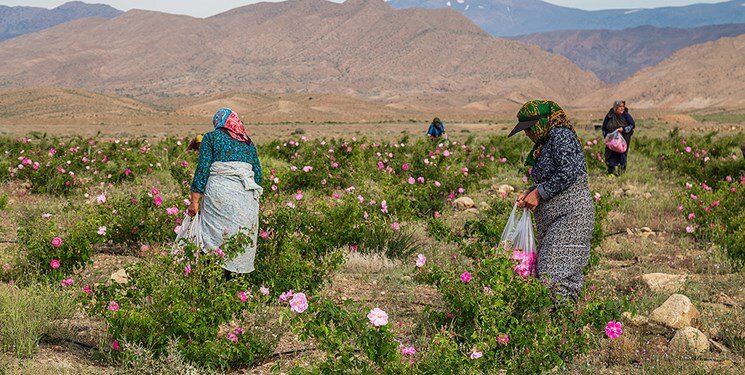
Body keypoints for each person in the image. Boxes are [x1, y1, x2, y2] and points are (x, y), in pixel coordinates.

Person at [509, 100, 595, 303]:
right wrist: (531, 191)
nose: (527, 134)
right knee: (557, 273)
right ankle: (563, 326)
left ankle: (562, 326)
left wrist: (539, 193)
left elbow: (568, 171)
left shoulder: (561, 135)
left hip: (571, 216)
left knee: (552, 272)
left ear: (541, 122)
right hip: (556, 218)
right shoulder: (546, 142)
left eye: (529, 128)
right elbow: (552, 177)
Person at [187, 108, 263, 277]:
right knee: (239, 237)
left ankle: (211, 281)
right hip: (246, 197)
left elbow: (202, 169)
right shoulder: (248, 143)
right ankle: (235, 283)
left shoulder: (211, 138)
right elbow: (257, 175)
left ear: (218, 122)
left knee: (213, 236)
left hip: (219, 195)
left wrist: (194, 201)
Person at [602, 100, 635, 176]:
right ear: (615, 107)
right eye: (620, 107)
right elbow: (604, 126)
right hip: (611, 139)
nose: (622, 108)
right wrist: (606, 136)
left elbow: (632, 125)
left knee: (622, 154)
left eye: (623, 106)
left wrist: (623, 129)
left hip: (623, 138)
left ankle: (621, 173)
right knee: (610, 154)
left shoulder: (626, 115)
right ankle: (611, 172)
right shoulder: (610, 115)